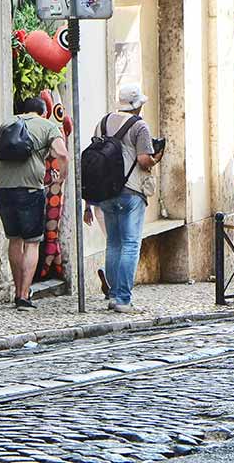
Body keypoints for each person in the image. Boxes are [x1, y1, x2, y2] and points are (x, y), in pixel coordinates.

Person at [83, 83, 160, 312]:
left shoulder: (103, 122)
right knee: (130, 244)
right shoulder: (140, 126)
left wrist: (89, 203)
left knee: (113, 244)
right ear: (137, 105)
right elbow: (144, 159)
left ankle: (114, 295)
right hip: (131, 192)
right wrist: (157, 158)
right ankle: (123, 299)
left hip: (106, 192)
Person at [0, 98, 68, 309]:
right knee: (32, 242)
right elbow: (61, 153)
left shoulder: (7, 124)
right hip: (29, 191)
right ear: (44, 113)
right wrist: (62, 176)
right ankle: (24, 295)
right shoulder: (47, 126)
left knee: (14, 240)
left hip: (2, 189)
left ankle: (17, 290)